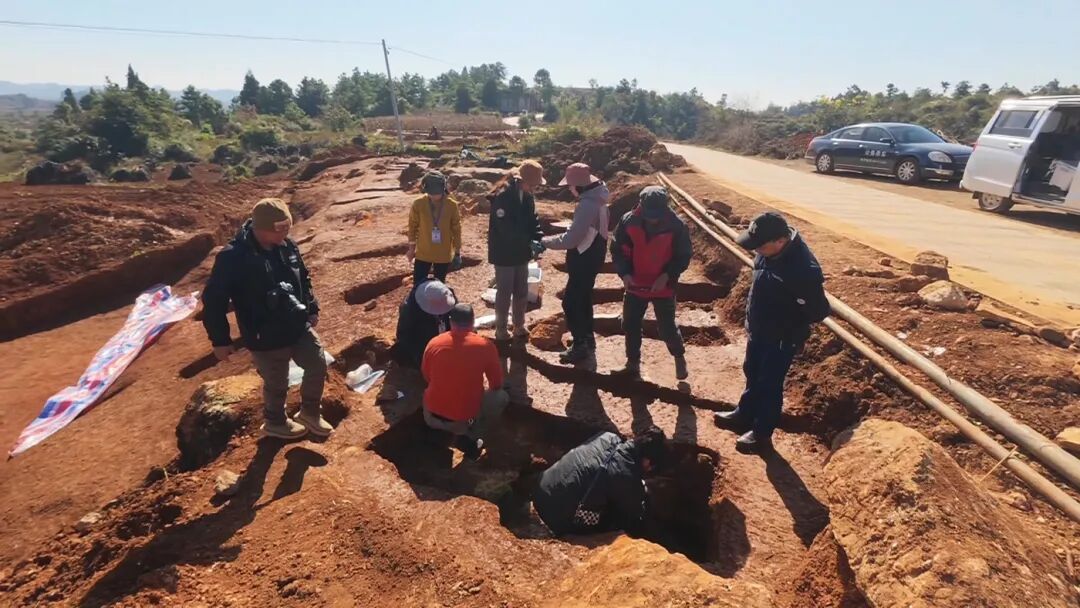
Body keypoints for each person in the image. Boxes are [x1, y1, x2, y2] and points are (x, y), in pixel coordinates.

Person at [202, 198, 332, 440]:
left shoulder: (288, 246)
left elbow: (303, 278)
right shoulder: (233, 257)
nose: (285, 233)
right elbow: (214, 300)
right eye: (279, 229)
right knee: (277, 382)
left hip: (296, 324)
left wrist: (312, 308)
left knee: (317, 363)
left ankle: (310, 413)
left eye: (287, 227)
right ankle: (275, 422)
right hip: (263, 332)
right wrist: (220, 340)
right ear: (260, 228)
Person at [714, 212, 829, 454]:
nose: (757, 251)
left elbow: (818, 311)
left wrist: (789, 323)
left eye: (761, 247)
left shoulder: (802, 270)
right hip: (758, 329)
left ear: (780, 241)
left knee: (769, 383)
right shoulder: (769, 250)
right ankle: (744, 414)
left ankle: (761, 434)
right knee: (752, 372)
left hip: (780, 339)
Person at [610, 186, 693, 380]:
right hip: (635, 283)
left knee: (666, 328)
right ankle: (632, 364)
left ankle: (679, 356)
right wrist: (625, 275)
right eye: (649, 214)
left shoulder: (676, 226)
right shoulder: (628, 221)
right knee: (630, 324)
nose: (652, 219)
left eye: (656, 215)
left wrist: (666, 276)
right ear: (640, 206)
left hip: (663, 286)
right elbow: (617, 250)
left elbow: (683, 256)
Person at [532, 426, 668, 536]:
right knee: (623, 521)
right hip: (554, 518)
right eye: (651, 466)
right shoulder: (626, 475)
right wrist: (643, 491)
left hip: (540, 490)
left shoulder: (607, 436)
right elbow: (635, 513)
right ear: (647, 461)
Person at [542, 163, 610, 364]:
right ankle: (587, 340)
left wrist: (544, 242)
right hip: (593, 254)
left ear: (579, 186)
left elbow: (571, 239)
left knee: (571, 302)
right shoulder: (598, 198)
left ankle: (580, 345)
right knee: (583, 299)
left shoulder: (588, 205)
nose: (569, 189)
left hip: (585, 258)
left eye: (570, 186)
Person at [421, 303, 509, 460]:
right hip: (463, 419)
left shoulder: (434, 343)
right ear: (473, 321)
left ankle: (440, 434)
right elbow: (496, 384)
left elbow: (426, 376)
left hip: (431, 415)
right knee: (500, 396)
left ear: (450, 321)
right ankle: (473, 435)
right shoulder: (485, 346)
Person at [487, 160, 545, 341]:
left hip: (521, 252)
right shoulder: (503, 197)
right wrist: (528, 241)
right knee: (504, 291)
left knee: (521, 290)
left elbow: (533, 220)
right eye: (533, 184)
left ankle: (519, 324)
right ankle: (501, 328)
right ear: (522, 180)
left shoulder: (527, 197)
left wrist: (537, 237)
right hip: (504, 253)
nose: (534, 188)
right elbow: (506, 229)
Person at [408, 171, 462, 285]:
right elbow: (412, 226)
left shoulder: (451, 205)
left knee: (439, 285)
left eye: (437, 192)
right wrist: (411, 249)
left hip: (443, 254)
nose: (434, 196)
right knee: (418, 284)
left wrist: (457, 252)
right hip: (423, 252)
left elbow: (457, 229)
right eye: (431, 193)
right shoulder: (418, 204)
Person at [393, 279, 457, 368]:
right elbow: (404, 336)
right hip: (423, 345)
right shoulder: (410, 310)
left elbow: (457, 317)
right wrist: (422, 355)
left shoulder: (445, 294)